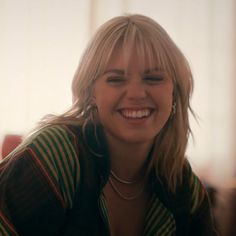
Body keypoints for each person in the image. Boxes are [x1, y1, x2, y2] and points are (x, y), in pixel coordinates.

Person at [0, 14, 218, 236]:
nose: (135, 93)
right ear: (91, 93)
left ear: (175, 93)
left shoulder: (182, 184)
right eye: (116, 79)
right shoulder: (57, 154)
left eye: (153, 78)